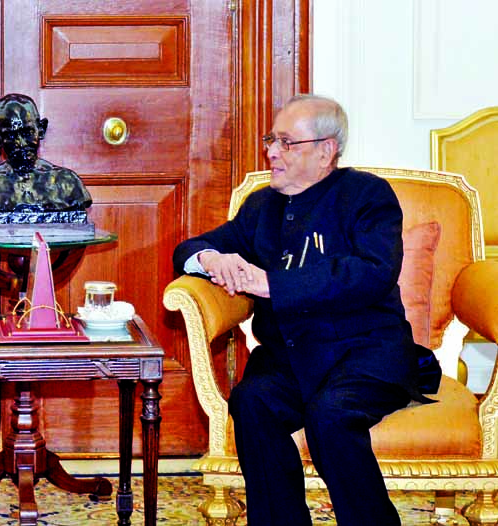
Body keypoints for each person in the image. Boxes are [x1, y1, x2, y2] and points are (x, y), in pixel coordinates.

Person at [172, 94, 440, 526]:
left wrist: (269, 282)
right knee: (252, 400)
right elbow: (190, 247)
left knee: (330, 415)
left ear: (325, 150)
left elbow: (372, 273)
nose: (271, 152)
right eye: (271, 140)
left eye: (285, 142)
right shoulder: (261, 206)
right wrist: (210, 260)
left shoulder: (367, 196)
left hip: (366, 356)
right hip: (289, 361)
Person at [0, 93, 92, 213]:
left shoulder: (67, 183)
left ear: (41, 130)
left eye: (27, 133)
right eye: (11, 136)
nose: (21, 143)